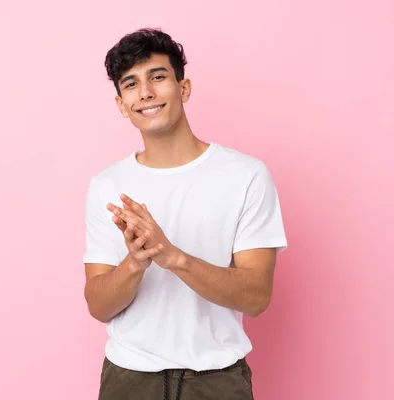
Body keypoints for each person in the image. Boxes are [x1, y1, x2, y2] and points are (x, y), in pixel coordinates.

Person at [82, 27, 287, 400]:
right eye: (131, 84)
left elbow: (257, 296)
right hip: (128, 381)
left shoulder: (245, 176)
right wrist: (135, 262)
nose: (145, 92)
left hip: (217, 380)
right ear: (121, 105)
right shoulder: (107, 186)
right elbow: (98, 305)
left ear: (184, 88)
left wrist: (171, 256)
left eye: (158, 77)